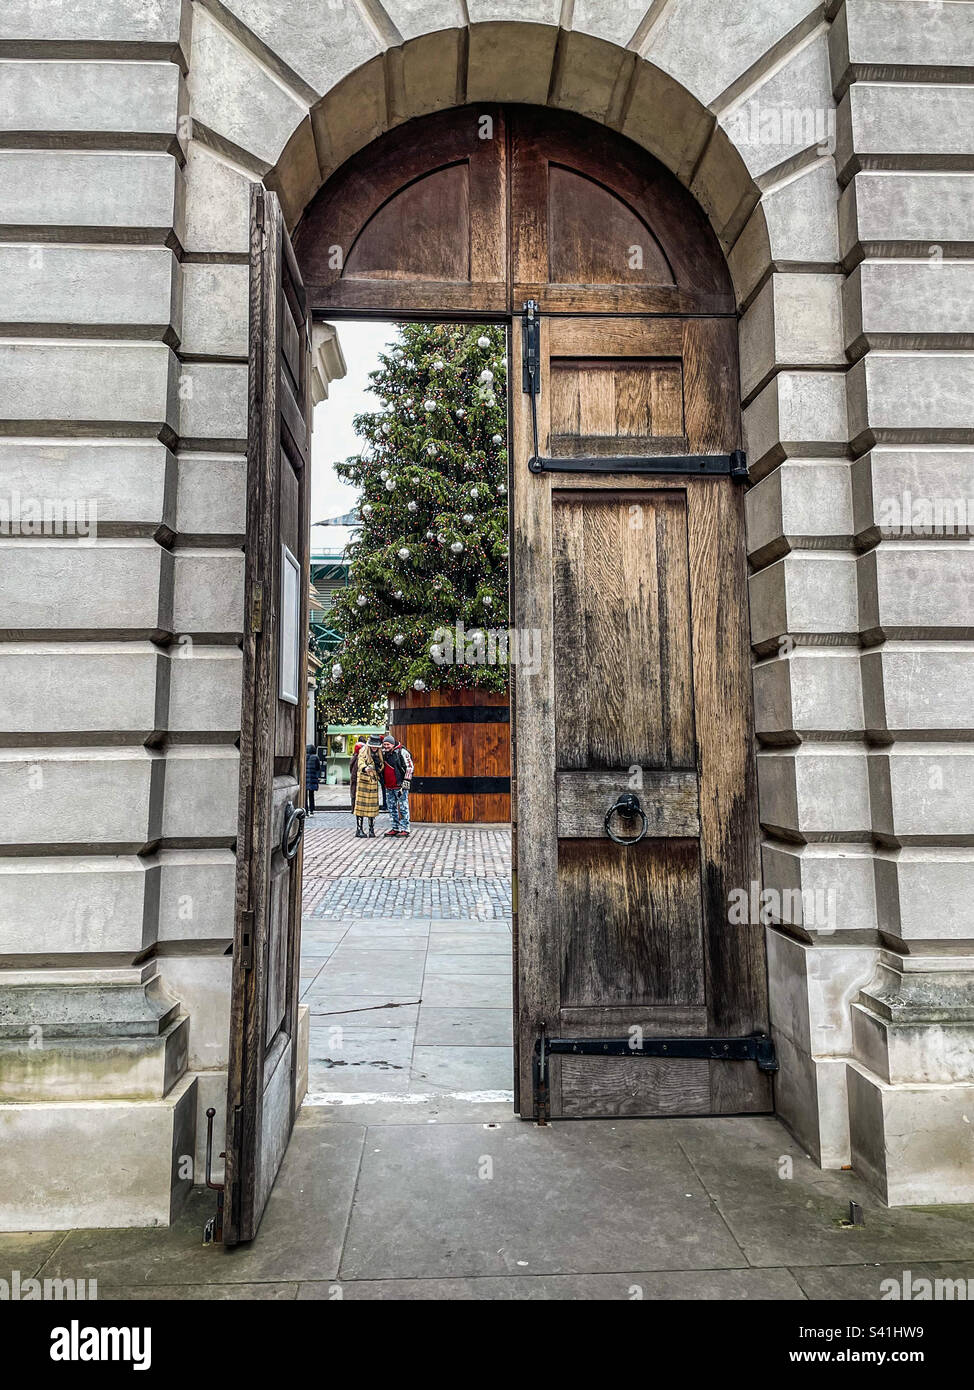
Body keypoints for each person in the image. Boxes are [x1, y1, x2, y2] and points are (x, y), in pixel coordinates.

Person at [380, 732, 413, 838]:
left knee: (403, 807)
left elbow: (410, 767)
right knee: (392, 808)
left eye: (388, 745)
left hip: (400, 786)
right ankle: (395, 828)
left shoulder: (402, 752)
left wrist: (405, 783)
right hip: (389, 786)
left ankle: (405, 829)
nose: (386, 746)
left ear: (393, 744)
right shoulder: (384, 753)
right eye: (384, 744)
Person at [352, 738, 383, 838]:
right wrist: (365, 768)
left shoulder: (380, 753)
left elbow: (382, 765)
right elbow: (360, 762)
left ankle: (371, 829)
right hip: (364, 781)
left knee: (372, 808)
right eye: (373, 746)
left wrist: (379, 766)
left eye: (376, 746)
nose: (374, 748)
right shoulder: (363, 751)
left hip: (373, 781)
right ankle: (359, 829)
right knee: (361, 807)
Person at [305, 744, 322, 816]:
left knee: (304, 795)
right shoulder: (315, 757)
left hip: (305, 778)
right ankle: (311, 810)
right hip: (312, 778)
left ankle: (305, 810)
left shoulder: (304, 757)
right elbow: (318, 768)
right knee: (311, 795)